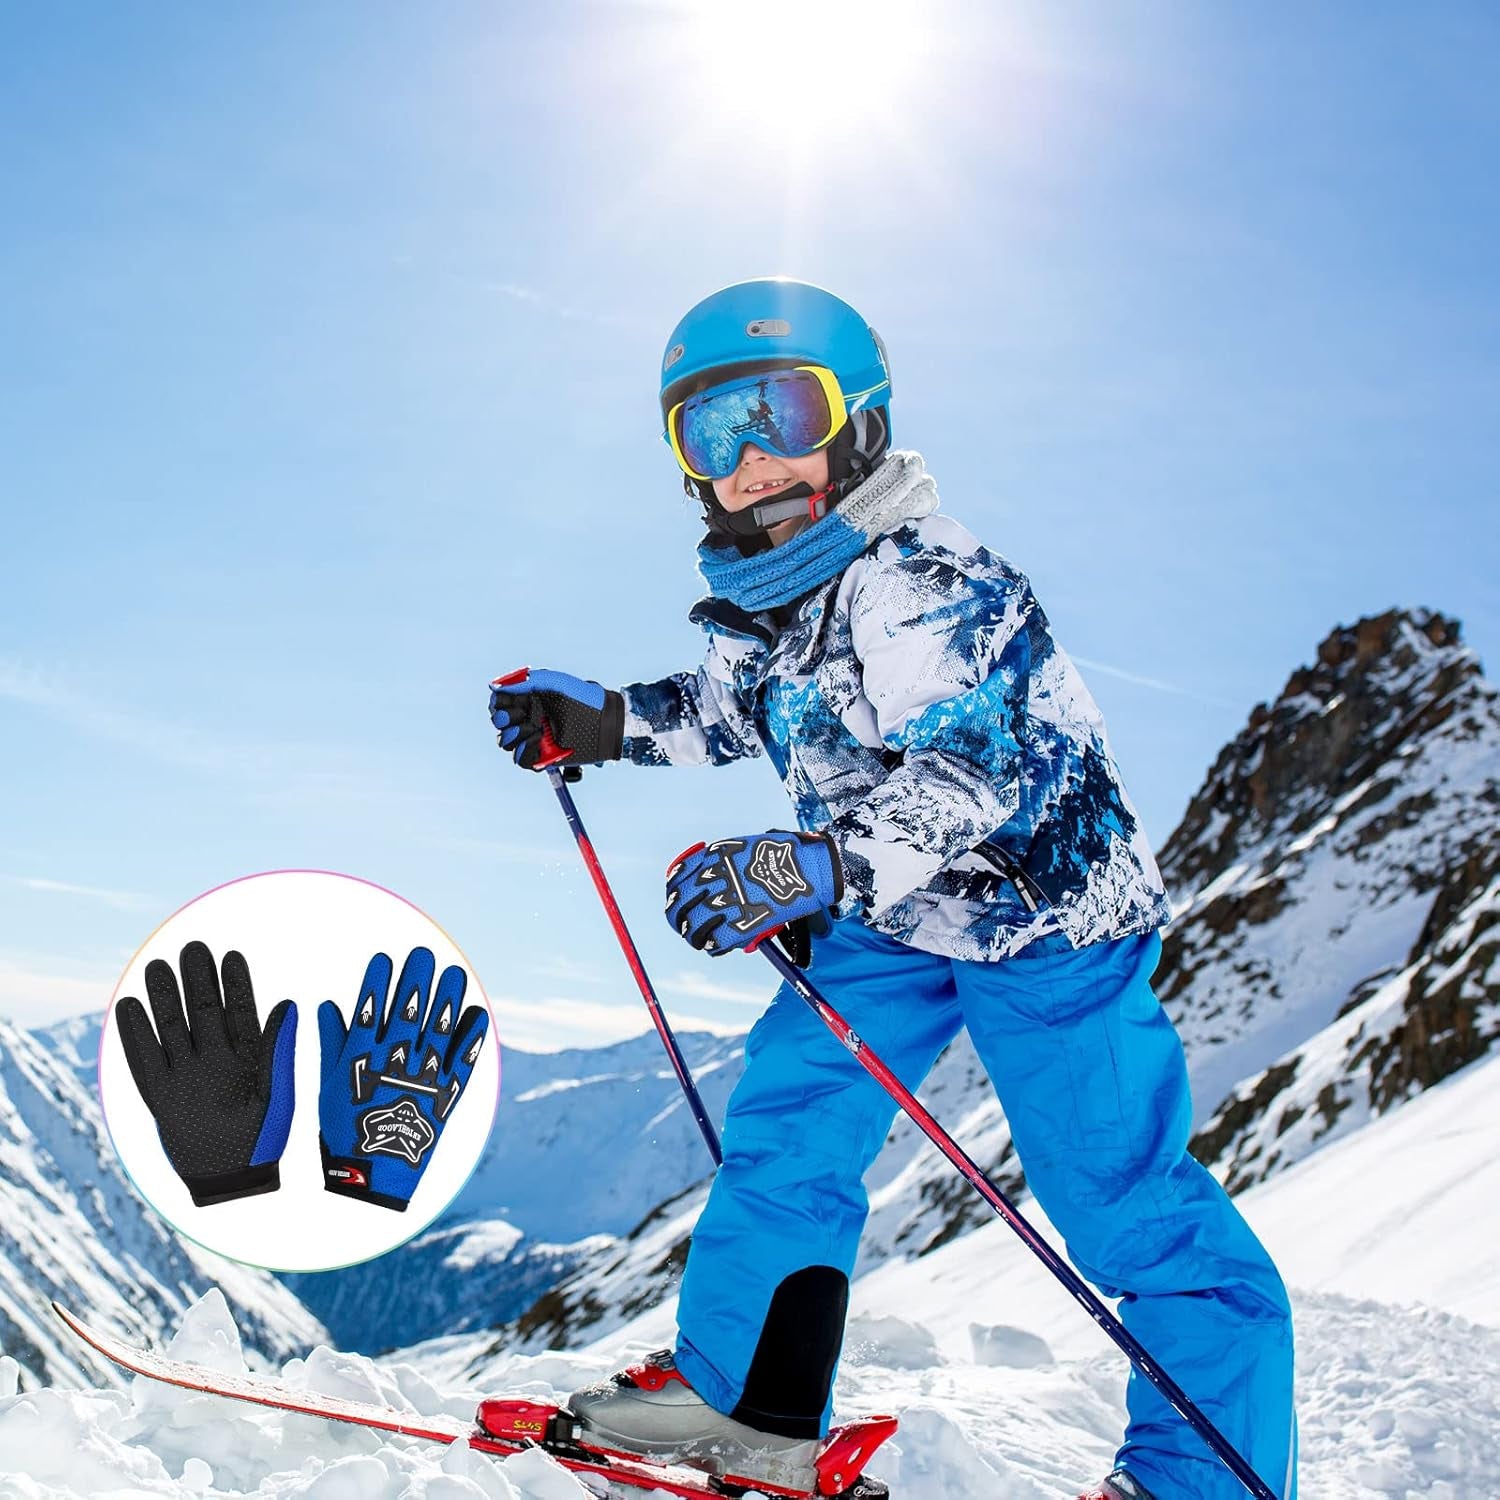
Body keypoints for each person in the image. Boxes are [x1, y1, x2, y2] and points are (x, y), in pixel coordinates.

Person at [488, 278, 1296, 1500]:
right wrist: (599, 721)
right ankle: (747, 1402)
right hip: (890, 917)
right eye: (711, 433)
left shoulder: (922, 576)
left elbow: (975, 766)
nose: (751, 458)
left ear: (855, 421)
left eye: (781, 413)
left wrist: (815, 865)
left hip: (1044, 919)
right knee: (790, 1128)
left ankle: (1207, 1479)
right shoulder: (768, 604)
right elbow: (719, 712)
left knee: (1122, 1197)